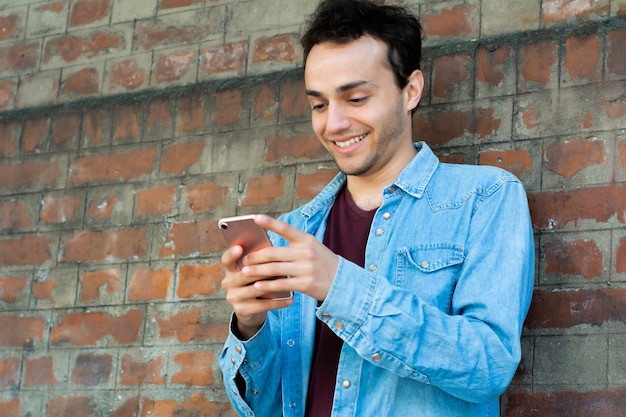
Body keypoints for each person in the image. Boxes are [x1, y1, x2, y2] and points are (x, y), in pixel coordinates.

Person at [219, 0, 535, 416]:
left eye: (356, 98)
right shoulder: (290, 233)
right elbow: (264, 406)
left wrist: (341, 288)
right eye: (319, 104)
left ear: (411, 90)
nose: (332, 124)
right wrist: (249, 326)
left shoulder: (485, 198)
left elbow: (488, 366)